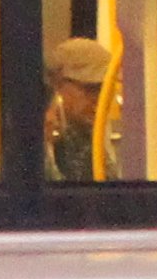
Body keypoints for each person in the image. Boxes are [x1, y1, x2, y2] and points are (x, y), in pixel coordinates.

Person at [45, 36, 117, 183]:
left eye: (105, 90)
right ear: (58, 84)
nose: (99, 99)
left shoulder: (93, 135)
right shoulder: (45, 139)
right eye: (90, 89)